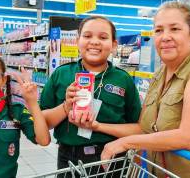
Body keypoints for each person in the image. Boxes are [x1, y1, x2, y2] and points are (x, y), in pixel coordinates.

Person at [90, 1, 190, 177]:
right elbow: (145, 129)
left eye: (175, 29)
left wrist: (126, 143)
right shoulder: (159, 74)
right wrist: (97, 126)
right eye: (159, 30)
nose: (165, 36)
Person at [40, 16, 142, 174]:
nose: (94, 42)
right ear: (77, 40)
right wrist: (66, 106)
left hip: (111, 157)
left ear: (114, 45)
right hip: (68, 156)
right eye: (87, 36)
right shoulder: (61, 74)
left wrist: (99, 127)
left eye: (103, 37)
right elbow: (43, 122)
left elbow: (138, 129)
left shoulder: (123, 79)